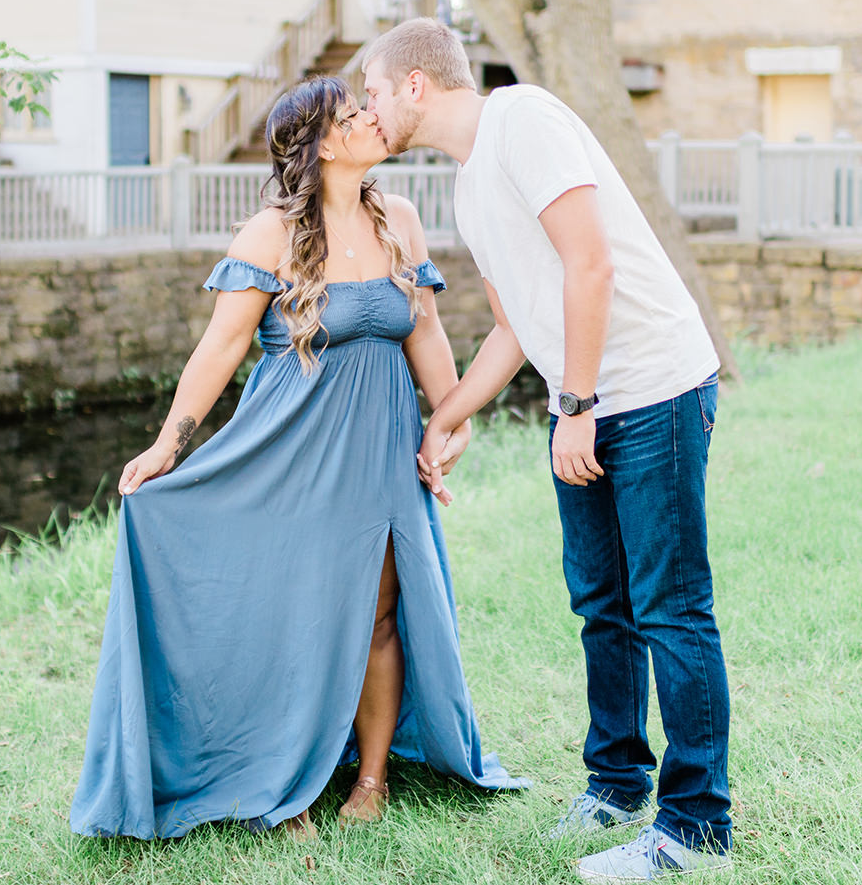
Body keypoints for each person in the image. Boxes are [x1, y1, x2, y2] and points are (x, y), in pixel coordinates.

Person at [69, 75, 525, 842]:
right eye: (354, 117)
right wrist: (167, 444)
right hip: (289, 454)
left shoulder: (400, 220)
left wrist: (449, 418)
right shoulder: (268, 235)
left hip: (378, 454)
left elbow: (427, 332)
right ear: (318, 144)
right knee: (293, 618)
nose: (374, 121)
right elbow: (219, 351)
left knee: (380, 615)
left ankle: (370, 779)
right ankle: (284, 781)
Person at [366, 20, 733, 881]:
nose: (369, 110)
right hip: (591, 399)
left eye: (375, 92)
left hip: (652, 390)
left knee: (670, 606)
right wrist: (448, 413)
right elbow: (512, 323)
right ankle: (616, 784)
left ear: (416, 84)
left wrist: (575, 405)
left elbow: (591, 264)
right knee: (600, 599)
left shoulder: (523, 120)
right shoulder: (465, 187)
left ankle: (694, 828)